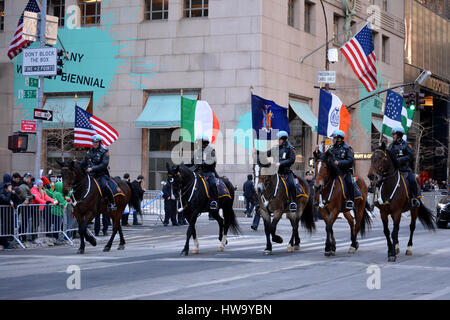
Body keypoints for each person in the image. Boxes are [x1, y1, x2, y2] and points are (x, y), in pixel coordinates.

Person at [315, 129, 355, 210]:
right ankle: (317, 200)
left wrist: (339, 162)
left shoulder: (347, 148)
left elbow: (350, 160)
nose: (333, 139)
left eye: (334, 138)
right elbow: (323, 157)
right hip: (334, 172)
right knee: (320, 182)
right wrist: (317, 152)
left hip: (345, 172)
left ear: (339, 139)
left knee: (349, 182)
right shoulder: (331, 148)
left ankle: (350, 200)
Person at [80, 134, 116, 211]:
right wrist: (77, 163)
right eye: (93, 142)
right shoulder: (90, 151)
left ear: (100, 142)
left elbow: (104, 164)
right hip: (90, 175)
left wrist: (92, 168)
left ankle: (112, 203)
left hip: (101, 174)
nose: (95, 144)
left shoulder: (104, 151)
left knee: (104, 186)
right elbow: (84, 162)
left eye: (96, 142)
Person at [388, 127, 421, 208]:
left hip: (405, 169)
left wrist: (399, 160)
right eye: (393, 135)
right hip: (394, 170)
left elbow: (410, 156)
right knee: (381, 179)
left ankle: (414, 198)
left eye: (394, 134)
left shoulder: (406, 145)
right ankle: (380, 198)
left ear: (399, 135)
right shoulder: (391, 146)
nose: (393, 136)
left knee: (412, 180)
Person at [188, 135, 219, 211]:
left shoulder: (212, 150)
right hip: (198, 173)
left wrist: (201, 163)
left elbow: (211, 161)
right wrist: (183, 165)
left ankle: (214, 201)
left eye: (199, 142)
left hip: (208, 172)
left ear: (204, 143)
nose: (197, 144)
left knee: (212, 184)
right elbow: (192, 163)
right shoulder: (197, 152)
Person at [267, 131, 297, 212]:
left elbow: (292, 159)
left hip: (286, 172)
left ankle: (293, 202)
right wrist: (258, 152)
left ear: (284, 140)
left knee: (291, 184)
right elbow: (267, 153)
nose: (278, 141)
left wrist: (280, 163)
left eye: (279, 140)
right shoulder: (276, 147)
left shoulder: (290, 148)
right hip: (276, 172)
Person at [0, 182, 15, 249]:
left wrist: (14, 193)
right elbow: (6, 200)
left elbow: (18, 200)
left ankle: (7, 242)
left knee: (8, 228)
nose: (10, 189)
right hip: (3, 214)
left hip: (9, 213)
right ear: (6, 188)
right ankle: (4, 243)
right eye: (9, 188)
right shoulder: (2, 194)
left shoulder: (9, 193)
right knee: (4, 228)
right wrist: (9, 192)